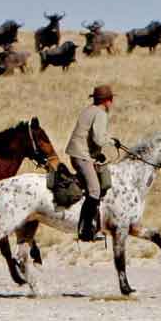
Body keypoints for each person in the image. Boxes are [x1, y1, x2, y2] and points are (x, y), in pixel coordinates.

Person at [67, 85, 113, 241]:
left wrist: (96, 154)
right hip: (82, 155)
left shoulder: (88, 110)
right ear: (107, 101)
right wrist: (111, 141)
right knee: (95, 191)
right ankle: (86, 231)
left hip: (77, 153)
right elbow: (98, 139)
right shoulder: (100, 114)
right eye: (111, 100)